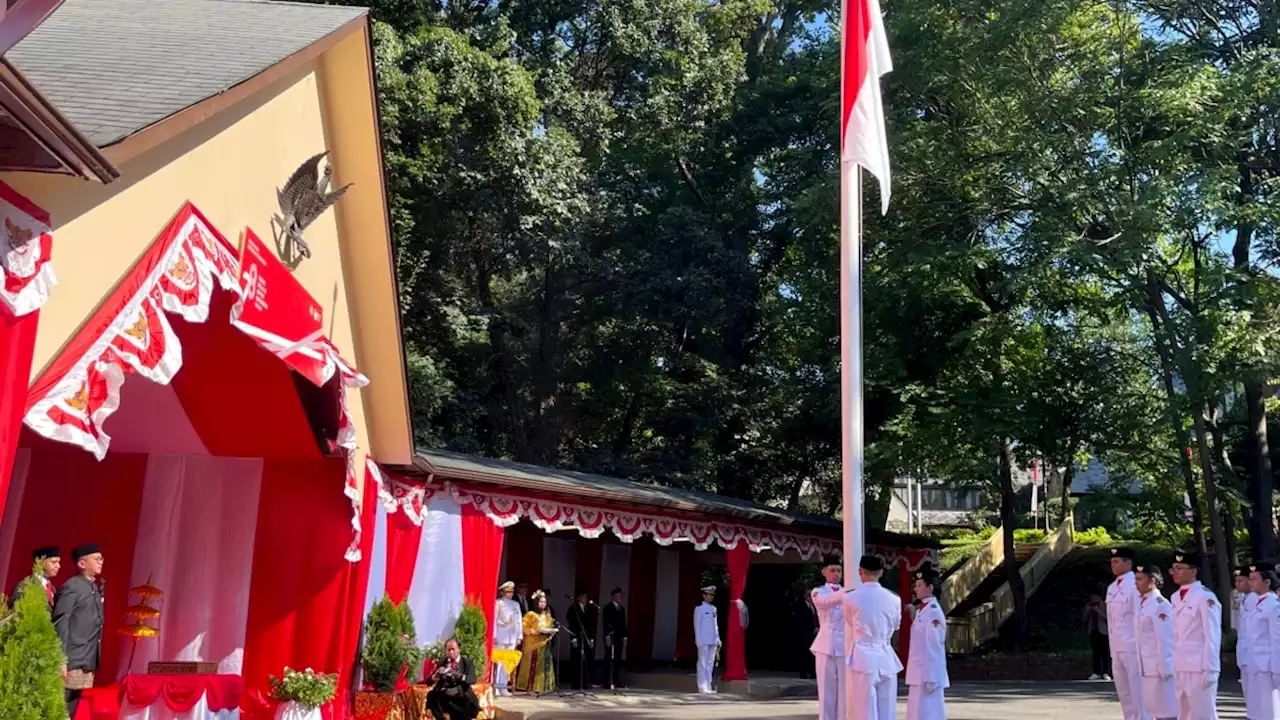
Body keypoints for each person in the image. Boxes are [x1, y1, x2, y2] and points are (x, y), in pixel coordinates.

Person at [842, 555, 903, 720]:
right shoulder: (894, 598)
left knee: (864, 708)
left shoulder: (849, 597)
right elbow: (896, 625)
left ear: (860, 571)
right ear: (881, 572)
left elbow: (849, 621)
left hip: (863, 655)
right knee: (887, 708)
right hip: (886, 654)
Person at [52, 543, 104, 718]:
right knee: (61, 707)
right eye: (96, 559)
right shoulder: (72, 586)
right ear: (82, 564)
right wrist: (61, 658)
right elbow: (61, 622)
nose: (101, 562)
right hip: (71, 659)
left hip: (86, 659)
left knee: (73, 709)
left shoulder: (93, 587)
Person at [1169, 550, 1221, 720]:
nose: (1175, 572)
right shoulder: (1175, 597)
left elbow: (1212, 634)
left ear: (1193, 571)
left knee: (1203, 713)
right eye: (1173, 568)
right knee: (1183, 713)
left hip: (1199, 666)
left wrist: (1211, 668)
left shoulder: (1205, 597)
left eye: (1180, 568)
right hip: (1180, 663)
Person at [1106, 546, 1144, 720]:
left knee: (1138, 694)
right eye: (1111, 562)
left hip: (1133, 646)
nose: (1112, 565)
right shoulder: (1112, 587)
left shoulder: (1135, 584)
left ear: (1128, 563)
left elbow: (1139, 616)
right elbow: (1111, 620)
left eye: (1116, 561)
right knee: (1124, 694)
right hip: (1117, 646)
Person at [906, 568, 949, 720]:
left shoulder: (933, 611)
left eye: (919, 585)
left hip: (927, 674)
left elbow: (934, 646)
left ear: (930, 587)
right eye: (915, 585)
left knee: (929, 713)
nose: (915, 589)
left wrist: (932, 676)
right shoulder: (922, 610)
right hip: (919, 672)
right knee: (916, 713)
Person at [1134, 564, 1175, 720]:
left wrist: (1166, 670)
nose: (1136, 583)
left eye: (1140, 579)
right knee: (1152, 712)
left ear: (1152, 581)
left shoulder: (1160, 605)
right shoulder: (1142, 604)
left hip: (1159, 670)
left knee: (1167, 713)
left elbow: (1165, 639)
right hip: (1145, 668)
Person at [810, 556, 846, 720]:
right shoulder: (818, 592)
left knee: (845, 691)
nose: (836, 574)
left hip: (845, 645)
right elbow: (826, 602)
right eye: (832, 570)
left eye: (839, 570)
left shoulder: (847, 590)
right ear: (824, 572)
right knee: (826, 691)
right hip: (826, 644)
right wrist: (847, 592)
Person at [1245, 562, 1279, 720]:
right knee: (1255, 712)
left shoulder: (1274, 606)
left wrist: (1277, 670)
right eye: (1250, 578)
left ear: (1267, 582)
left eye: (1254, 579)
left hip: (1267, 668)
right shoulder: (1255, 603)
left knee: (1269, 713)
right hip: (1253, 665)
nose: (1250, 582)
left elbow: (1276, 640)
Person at [426, 637, 481, 720]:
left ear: (459, 649)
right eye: (448, 650)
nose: (451, 652)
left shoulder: (467, 662)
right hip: (446, 698)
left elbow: (473, 679)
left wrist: (460, 676)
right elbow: (428, 682)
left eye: (453, 649)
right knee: (431, 696)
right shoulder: (442, 662)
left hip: (462, 698)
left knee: (457, 709)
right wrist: (436, 675)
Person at [514, 590, 557, 694]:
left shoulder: (547, 616)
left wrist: (551, 632)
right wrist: (534, 631)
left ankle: (541, 688)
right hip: (532, 645)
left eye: (544, 602)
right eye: (541, 602)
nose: (543, 604)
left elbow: (550, 627)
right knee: (532, 667)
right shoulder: (530, 614)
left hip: (544, 643)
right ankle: (529, 688)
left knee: (542, 668)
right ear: (536, 603)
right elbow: (523, 627)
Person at [493, 581, 522, 696]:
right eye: (508, 592)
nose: (510, 594)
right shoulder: (498, 603)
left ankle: (503, 687)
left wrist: (519, 636)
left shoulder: (515, 605)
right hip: (500, 636)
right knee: (498, 662)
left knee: (508, 663)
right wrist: (494, 635)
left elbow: (518, 621)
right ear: (502, 592)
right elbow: (494, 620)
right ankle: (495, 686)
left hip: (511, 637)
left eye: (511, 592)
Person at [13, 546, 60, 613]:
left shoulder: (53, 589)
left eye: (58, 562)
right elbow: (18, 614)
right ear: (40, 562)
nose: (58, 566)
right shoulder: (25, 586)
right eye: (54, 562)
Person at [694, 585, 721, 694]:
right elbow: (697, 625)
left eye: (712, 595)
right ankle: (702, 685)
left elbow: (715, 625)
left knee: (710, 663)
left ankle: (708, 685)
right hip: (703, 639)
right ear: (704, 595)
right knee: (702, 663)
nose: (711, 597)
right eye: (709, 594)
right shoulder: (699, 609)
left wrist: (718, 639)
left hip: (713, 640)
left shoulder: (714, 609)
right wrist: (698, 640)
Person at [1233, 565, 1254, 701]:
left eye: (1240, 581)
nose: (1237, 584)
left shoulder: (1258, 600)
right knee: (1249, 698)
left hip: (1258, 657)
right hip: (1244, 654)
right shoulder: (1241, 599)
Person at [567, 589, 595, 689]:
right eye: (583, 597)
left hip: (585, 637)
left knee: (585, 660)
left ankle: (584, 682)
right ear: (578, 598)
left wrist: (591, 638)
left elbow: (590, 625)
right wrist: (573, 638)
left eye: (586, 597)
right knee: (576, 660)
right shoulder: (573, 608)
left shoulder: (587, 609)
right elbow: (572, 624)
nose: (585, 599)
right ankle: (576, 683)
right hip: (577, 637)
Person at [602, 587, 628, 689]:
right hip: (610, 636)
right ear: (613, 596)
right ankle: (606, 681)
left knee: (617, 659)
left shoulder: (621, 608)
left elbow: (623, 623)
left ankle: (616, 680)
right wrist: (607, 636)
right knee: (608, 659)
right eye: (617, 595)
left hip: (619, 637)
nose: (619, 597)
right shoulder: (608, 607)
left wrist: (625, 636)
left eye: (620, 595)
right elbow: (605, 623)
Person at [1083, 592, 1111, 680]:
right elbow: (1084, 618)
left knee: (1105, 652)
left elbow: (1108, 618)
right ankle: (1096, 672)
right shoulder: (1089, 605)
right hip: (1093, 630)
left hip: (1103, 631)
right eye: (1092, 597)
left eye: (1095, 596)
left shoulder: (1105, 605)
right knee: (1096, 652)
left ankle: (1106, 672)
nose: (1093, 598)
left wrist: (1098, 610)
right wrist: (1088, 610)